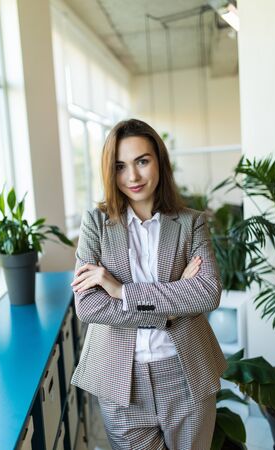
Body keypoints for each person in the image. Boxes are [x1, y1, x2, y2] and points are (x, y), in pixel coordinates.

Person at [70, 118, 228, 450]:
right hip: (120, 381)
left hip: (185, 374)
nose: (133, 177)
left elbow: (207, 291)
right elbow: (89, 306)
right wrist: (173, 303)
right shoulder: (95, 225)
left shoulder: (191, 223)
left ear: (159, 160)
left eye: (142, 161)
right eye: (120, 166)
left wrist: (120, 291)